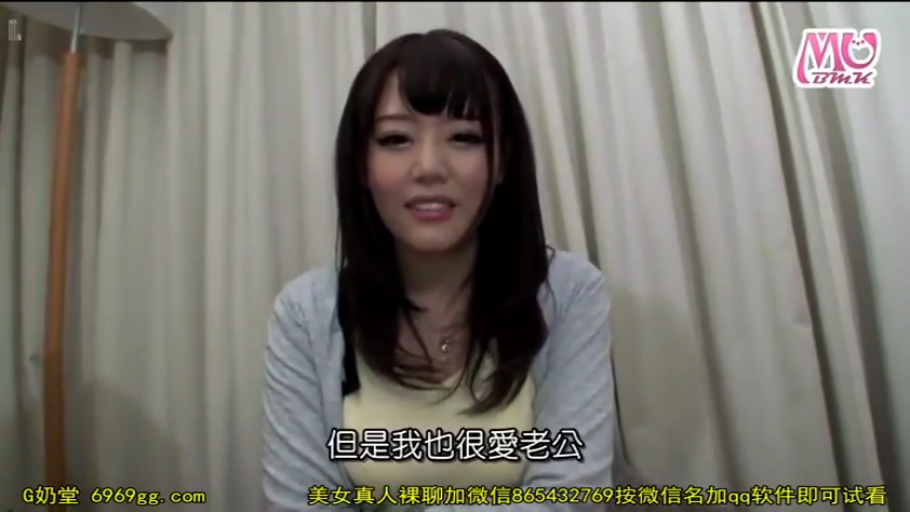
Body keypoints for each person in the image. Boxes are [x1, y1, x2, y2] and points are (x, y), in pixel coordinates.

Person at [262, 29, 616, 511]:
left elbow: (570, 498)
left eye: (464, 137)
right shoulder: (306, 314)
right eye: (396, 139)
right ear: (362, 164)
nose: (429, 166)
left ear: (502, 160)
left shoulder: (569, 294)